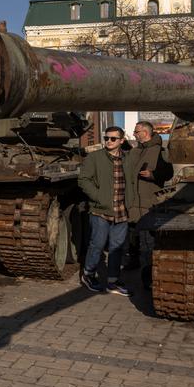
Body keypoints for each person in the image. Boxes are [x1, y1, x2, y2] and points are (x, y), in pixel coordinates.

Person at [78, 126, 136, 296]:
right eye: (106, 138)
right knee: (97, 244)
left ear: (121, 141)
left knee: (117, 248)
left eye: (113, 139)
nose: (109, 141)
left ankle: (113, 281)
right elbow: (83, 180)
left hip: (121, 210)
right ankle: (88, 274)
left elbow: (131, 181)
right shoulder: (94, 157)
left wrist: (130, 201)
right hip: (100, 210)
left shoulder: (127, 158)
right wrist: (99, 197)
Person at [128, 121, 173, 290]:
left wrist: (153, 174)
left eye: (137, 131)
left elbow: (168, 173)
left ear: (146, 133)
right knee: (133, 233)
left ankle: (150, 276)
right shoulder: (135, 150)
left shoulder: (160, 151)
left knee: (149, 240)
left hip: (149, 202)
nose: (134, 134)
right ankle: (134, 261)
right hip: (133, 202)